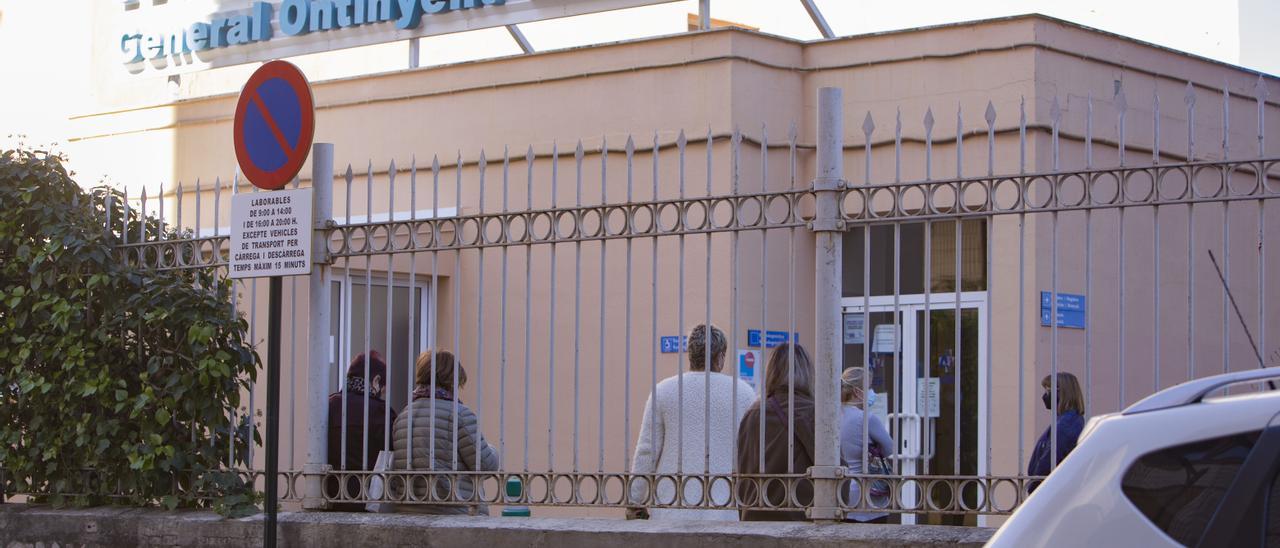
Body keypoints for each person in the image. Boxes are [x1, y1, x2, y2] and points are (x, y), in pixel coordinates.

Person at [627, 324, 757, 521]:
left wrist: (634, 501)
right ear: (721, 357)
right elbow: (751, 454)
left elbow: (647, 451)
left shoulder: (664, 391)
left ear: (689, 355)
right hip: (723, 511)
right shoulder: (743, 393)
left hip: (671, 509)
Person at [390, 350, 499, 515]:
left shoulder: (404, 416)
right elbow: (485, 466)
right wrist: (493, 450)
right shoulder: (460, 415)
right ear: (452, 380)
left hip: (409, 513)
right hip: (454, 513)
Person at [735, 343, 816, 521]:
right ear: (807, 373)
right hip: (801, 518)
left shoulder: (753, 413)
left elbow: (742, 469)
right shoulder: (814, 412)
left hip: (755, 518)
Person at [326, 351, 398, 511]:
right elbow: (395, 455)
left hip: (331, 497)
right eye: (383, 389)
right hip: (368, 501)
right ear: (376, 380)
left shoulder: (328, 406)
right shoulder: (381, 412)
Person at [839, 367, 895, 523]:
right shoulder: (866, 419)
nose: (872, 392)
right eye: (869, 388)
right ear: (857, 391)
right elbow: (890, 448)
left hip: (839, 496)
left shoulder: (831, 415)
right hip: (868, 498)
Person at [1027, 372, 1085, 493]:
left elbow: (1051, 458)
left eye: (1048, 391)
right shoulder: (1065, 420)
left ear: (1060, 393)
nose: (1045, 395)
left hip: (1048, 490)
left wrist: (1034, 487)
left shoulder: (1067, 423)